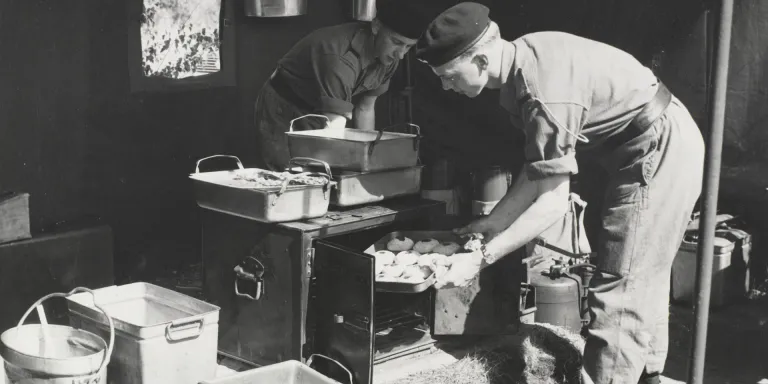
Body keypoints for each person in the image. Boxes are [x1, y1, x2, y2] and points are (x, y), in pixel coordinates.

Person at [416, 3, 705, 384]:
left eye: (449, 75)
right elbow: (539, 170)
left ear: (482, 60)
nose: (445, 86)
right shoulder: (525, 59)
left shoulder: (541, 92)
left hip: (658, 148)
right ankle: (645, 376)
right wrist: (494, 222)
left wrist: (481, 259)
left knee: (621, 286)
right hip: (641, 146)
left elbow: (552, 202)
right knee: (640, 275)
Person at [254, 1, 437, 171]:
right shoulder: (338, 58)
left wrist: (368, 161)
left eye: (408, 47)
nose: (400, 55)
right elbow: (334, 128)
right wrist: (345, 174)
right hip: (283, 105)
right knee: (291, 176)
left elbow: (365, 108)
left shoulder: (390, 57)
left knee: (320, 172)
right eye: (396, 42)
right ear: (376, 27)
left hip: (319, 110)